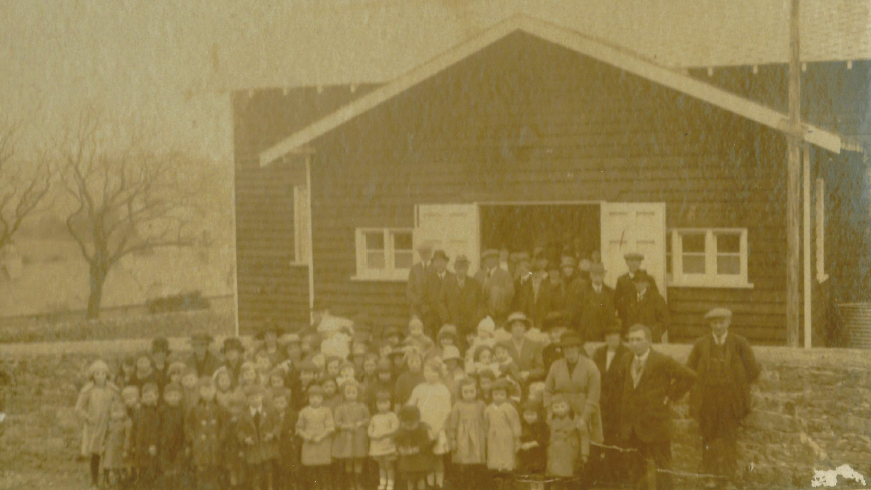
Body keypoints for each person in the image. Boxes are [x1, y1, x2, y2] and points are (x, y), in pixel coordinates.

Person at [687, 308, 761, 485]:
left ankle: (728, 478)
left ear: (729, 322)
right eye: (714, 323)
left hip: (730, 400)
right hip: (707, 399)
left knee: (729, 440)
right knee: (708, 438)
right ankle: (709, 478)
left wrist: (753, 392)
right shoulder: (701, 344)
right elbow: (689, 370)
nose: (718, 326)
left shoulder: (739, 343)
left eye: (721, 322)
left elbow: (753, 370)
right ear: (710, 324)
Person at [621, 324, 697, 490]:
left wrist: (670, 395)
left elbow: (689, 376)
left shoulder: (662, 361)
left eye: (638, 339)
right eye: (631, 340)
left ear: (648, 341)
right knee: (636, 471)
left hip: (657, 425)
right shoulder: (627, 359)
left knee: (663, 470)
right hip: (634, 426)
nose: (634, 343)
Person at [542, 331, 603, 475]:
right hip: (562, 412)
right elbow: (547, 390)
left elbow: (594, 397)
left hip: (584, 410)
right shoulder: (556, 366)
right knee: (564, 448)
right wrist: (550, 411)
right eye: (566, 349)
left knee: (586, 448)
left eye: (573, 348)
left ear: (578, 348)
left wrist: (584, 418)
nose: (570, 352)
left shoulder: (590, 366)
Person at [591, 321, 630, 486]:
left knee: (617, 442)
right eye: (608, 335)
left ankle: (618, 479)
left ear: (620, 337)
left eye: (615, 335)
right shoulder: (599, 353)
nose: (611, 338)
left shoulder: (627, 353)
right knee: (601, 440)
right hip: (601, 404)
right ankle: (603, 478)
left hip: (619, 405)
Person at [407, 358, 452, 490]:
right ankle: (429, 483)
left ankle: (439, 483)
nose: (429, 374)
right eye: (426, 370)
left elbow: (447, 412)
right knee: (426, 456)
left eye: (433, 371)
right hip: (422, 428)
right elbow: (411, 405)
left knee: (437, 457)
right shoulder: (419, 388)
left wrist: (438, 428)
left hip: (438, 427)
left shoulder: (443, 390)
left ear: (439, 373)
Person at [75, 360, 119, 489]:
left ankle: (106, 478)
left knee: (109, 453)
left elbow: (118, 404)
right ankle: (94, 481)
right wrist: (88, 418)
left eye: (103, 373)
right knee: (95, 454)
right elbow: (78, 408)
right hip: (95, 427)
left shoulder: (112, 389)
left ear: (107, 375)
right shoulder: (88, 390)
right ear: (92, 376)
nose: (100, 376)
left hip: (109, 425)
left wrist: (115, 416)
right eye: (97, 374)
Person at [446, 378, 487, 486]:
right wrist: (453, 439)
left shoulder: (481, 404)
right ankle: (465, 485)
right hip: (462, 437)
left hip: (478, 436)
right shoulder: (458, 405)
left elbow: (486, 421)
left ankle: (477, 485)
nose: (469, 395)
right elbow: (453, 423)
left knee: (477, 462)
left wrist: (486, 436)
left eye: (471, 391)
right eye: (465, 392)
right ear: (461, 393)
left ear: (476, 391)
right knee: (464, 462)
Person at [238, 384, 278, 490]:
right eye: (251, 398)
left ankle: (270, 487)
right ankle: (256, 487)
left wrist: (272, 434)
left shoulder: (269, 411)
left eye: (257, 397)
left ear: (262, 397)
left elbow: (277, 424)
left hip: (266, 446)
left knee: (268, 469)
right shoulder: (244, 413)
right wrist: (245, 439)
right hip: (253, 447)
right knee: (255, 471)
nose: (255, 400)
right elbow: (239, 430)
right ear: (247, 399)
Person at [438, 254, 484, 345]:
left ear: (467, 269)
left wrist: (476, 319)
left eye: (464, 268)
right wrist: (447, 320)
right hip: (453, 324)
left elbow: (481, 303)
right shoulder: (447, 284)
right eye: (459, 268)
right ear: (455, 269)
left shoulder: (474, 284)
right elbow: (441, 302)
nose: (461, 271)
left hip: (470, 325)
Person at [333, 380, 371, 490]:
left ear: (358, 394)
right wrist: (346, 426)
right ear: (344, 394)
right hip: (346, 438)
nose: (351, 395)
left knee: (358, 459)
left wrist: (360, 423)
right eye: (348, 392)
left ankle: (358, 482)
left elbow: (368, 419)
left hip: (359, 436)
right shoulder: (340, 408)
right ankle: (351, 484)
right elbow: (336, 423)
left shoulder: (362, 406)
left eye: (353, 392)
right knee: (349, 460)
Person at [187, 378, 222, 490]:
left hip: (215, 445)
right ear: (200, 392)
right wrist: (193, 438)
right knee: (201, 472)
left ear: (215, 391)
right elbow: (187, 425)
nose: (207, 393)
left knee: (215, 471)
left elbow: (226, 425)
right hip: (200, 446)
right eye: (204, 390)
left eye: (210, 389)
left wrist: (220, 438)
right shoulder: (194, 408)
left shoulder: (220, 408)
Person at [484, 379, 522, 485]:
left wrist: (517, 440)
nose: (498, 397)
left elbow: (515, 424)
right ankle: (498, 482)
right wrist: (487, 436)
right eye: (496, 394)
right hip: (493, 438)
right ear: (491, 395)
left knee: (507, 460)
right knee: (495, 461)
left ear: (506, 395)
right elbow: (486, 425)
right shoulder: (488, 409)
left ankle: (508, 482)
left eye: (502, 394)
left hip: (506, 438)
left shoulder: (509, 408)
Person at [297, 385, 335, 490]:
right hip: (309, 443)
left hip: (323, 443)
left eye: (318, 397)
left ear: (322, 398)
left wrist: (321, 437)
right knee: (311, 469)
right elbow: (299, 428)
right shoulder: (304, 411)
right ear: (308, 398)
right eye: (312, 397)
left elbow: (330, 427)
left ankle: (325, 487)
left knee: (323, 468)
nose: (315, 400)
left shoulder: (327, 411)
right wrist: (306, 436)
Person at [614, 252, 659, 329]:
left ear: (640, 263)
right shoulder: (622, 280)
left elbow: (656, 299)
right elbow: (616, 300)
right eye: (631, 261)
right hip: (627, 320)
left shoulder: (649, 279)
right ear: (627, 263)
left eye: (636, 261)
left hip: (645, 321)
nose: (633, 264)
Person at [396, 405, 436, 490]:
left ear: (418, 420)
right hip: (407, 460)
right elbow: (396, 441)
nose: (409, 427)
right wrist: (400, 449)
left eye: (412, 424)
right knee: (410, 480)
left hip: (419, 459)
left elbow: (426, 442)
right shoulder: (401, 431)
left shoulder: (421, 430)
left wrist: (418, 448)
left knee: (420, 479)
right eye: (406, 424)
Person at [623, 271, 670, 342]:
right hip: (633, 341)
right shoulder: (628, 299)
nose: (639, 285)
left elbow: (666, 321)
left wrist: (651, 333)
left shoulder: (657, 299)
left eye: (642, 282)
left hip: (650, 340)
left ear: (647, 283)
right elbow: (624, 320)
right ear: (633, 283)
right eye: (636, 282)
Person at [576, 263, 617, 342]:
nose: (597, 277)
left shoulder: (610, 292)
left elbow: (612, 314)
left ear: (604, 275)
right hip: (588, 335)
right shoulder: (582, 292)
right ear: (590, 275)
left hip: (606, 334)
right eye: (595, 274)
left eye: (600, 274)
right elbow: (578, 314)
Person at [503, 312, 546, 384]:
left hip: (530, 383)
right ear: (510, 329)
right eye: (515, 326)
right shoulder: (503, 346)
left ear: (525, 328)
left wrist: (528, 373)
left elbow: (541, 370)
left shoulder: (535, 346)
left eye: (521, 325)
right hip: (510, 384)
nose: (518, 328)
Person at [368, 390, 400, 490]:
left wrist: (384, 434)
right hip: (377, 445)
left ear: (390, 404)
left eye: (385, 403)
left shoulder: (392, 416)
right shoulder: (375, 417)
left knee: (389, 465)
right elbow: (370, 428)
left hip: (388, 444)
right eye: (380, 403)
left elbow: (395, 428)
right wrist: (372, 435)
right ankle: (383, 482)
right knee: (381, 465)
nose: (382, 406)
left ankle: (390, 483)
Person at [546, 394, 581, 485]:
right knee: (554, 476)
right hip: (555, 452)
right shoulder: (551, 421)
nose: (559, 409)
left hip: (567, 451)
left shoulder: (573, 422)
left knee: (566, 477)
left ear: (568, 407)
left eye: (562, 406)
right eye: (556, 407)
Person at [475, 249, 515, 327]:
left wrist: (497, 292)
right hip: (481, 316)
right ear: (484, 261)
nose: (490, 261)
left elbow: (511, 293)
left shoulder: (505, 275)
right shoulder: (478, 275)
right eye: (487, 259)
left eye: (493, 258)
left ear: (497, 260)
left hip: (498, 315)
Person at [517, 399, 548, 489]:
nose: (529, 417)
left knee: (539, 477)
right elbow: (518, 437)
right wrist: (520, 444)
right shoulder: (523, 425)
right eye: (527, 414)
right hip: (527, 456)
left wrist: (531, 444)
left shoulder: (542, 425)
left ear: (538, 415)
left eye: (532, 414)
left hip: (538, 455)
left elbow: (544, 439)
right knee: (531, 478)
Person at [421, 249, 453, 338]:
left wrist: (449, 316)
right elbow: (423, 299)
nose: (439, 264)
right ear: (434, 264)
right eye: (437, 262)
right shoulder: (428, 279)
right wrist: (428, 315)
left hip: (448, 318)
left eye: (442, 261)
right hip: (433, 319)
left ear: (446, 263)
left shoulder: (452, 278)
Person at [407, 241, 434, 319]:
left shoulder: (435, 268)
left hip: (431, 309)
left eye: (427, 252)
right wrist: (418, 303)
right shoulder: (414, 269)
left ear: (431, 253)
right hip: (417, 308)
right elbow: (409, 290)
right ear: (419, 254)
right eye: (422, 253)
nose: (425, 255)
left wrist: (428, 305)